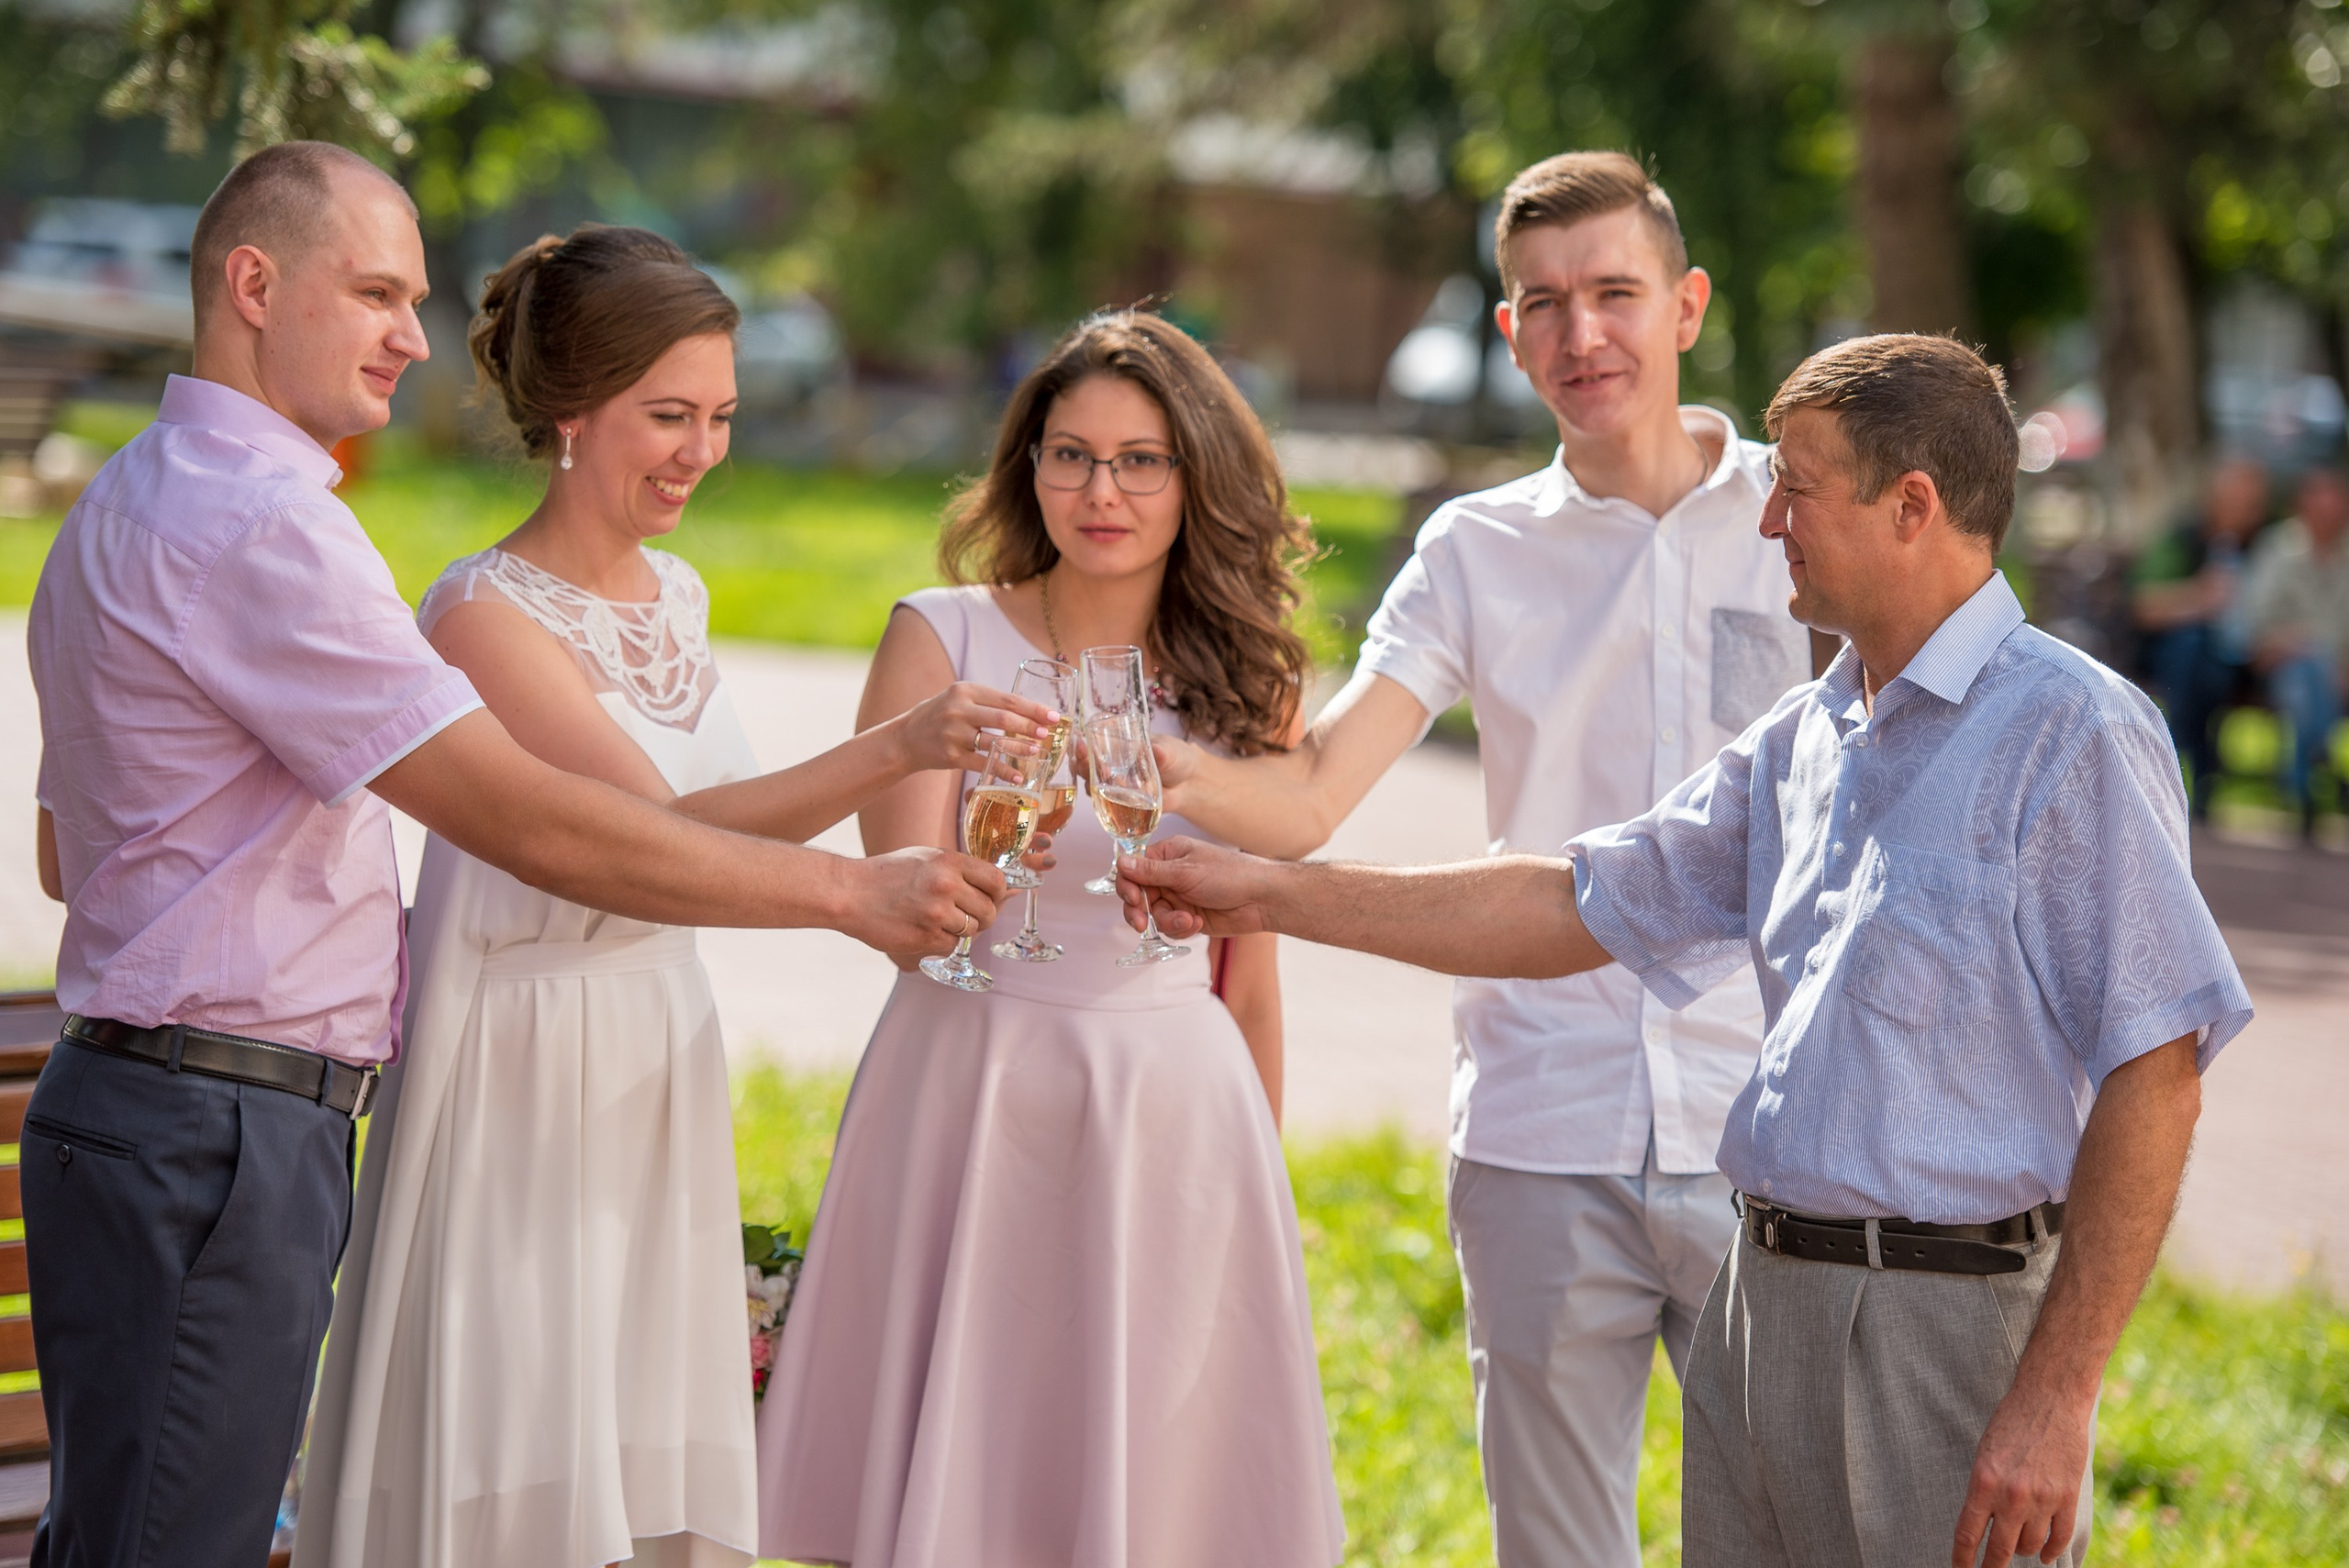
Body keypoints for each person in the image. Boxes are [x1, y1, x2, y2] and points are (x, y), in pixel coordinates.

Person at [23, 143, 1008, 1568]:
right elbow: (531, 821)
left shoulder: (125, 497)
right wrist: (853, 890)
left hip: (156, 1109)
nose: (411, 339)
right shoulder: (267, 529)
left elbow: (69, 852)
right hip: (216, 1129)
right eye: (372, 293)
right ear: (253, 284)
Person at [1121, 334, 2251, 1568]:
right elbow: (1574, 901)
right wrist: (1272, 894)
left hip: (1947, 1333)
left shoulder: (2071, 728)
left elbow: (2160, 1070)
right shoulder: (1809, 735)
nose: (1768, 519)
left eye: (1798, 489)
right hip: (1760, 1306)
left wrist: (2057, 1398)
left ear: (1911, 506)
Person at [291, 225, 1055, 1568]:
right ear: (573, 411)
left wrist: (913, 762)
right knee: (521, 1449)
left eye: (720, 417)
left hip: (653, 1044)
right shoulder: (481, 615)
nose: (701, 452)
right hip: (522, 1069)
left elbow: (727, 829)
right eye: (668, 416)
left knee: (638, 1461)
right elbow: (653, 832)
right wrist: (895, 750)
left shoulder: (681, 594)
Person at [1153, 150, 1814, 1568]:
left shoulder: (1799, 522)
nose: (1586, 335)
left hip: (1775, 1117)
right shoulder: (1473, 548)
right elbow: (1318, 790)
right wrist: (1152, 763)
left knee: (1793, 1537)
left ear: (1688, 305)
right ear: (1510, 333)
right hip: (1541, 1122)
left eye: (1618, 294)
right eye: (1546, 304)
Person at [755, 310, 1345, 1568]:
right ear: (1028, 467)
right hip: (968, 1078)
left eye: (1142, 459)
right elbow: (902, 906)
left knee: (1144, 1479)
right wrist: (983, 869)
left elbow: (1252, 970)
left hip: (1168, 1106)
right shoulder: (943, 633)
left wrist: (1259, 1184)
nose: (1102, 490)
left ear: (1197, 477)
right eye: (1069, 454)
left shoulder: (1249, 681)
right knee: (954, 1468)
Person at [2131, 454, 2270, 816]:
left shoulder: (2268, 549)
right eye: (2235, 502)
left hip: (2246, 659)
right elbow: (2145, 606)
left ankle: (2186, 764)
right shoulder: (2182, 540)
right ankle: (2198, 766)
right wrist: (2200, 600)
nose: (2244, 513)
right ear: (2213, 500)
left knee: (2208, 665)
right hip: (2178, 656)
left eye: (2251, 506)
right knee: (2191, 651)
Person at [2243, 462, 2349, 840]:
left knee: (2314, 674)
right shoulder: (2279, 551)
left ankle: (2301, 778)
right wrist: (2305, 647)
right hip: (2287, 666)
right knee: (2308, 672)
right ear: (2302, 505)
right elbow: (2256, 627)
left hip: (2339, 673)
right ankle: (2320, 759)